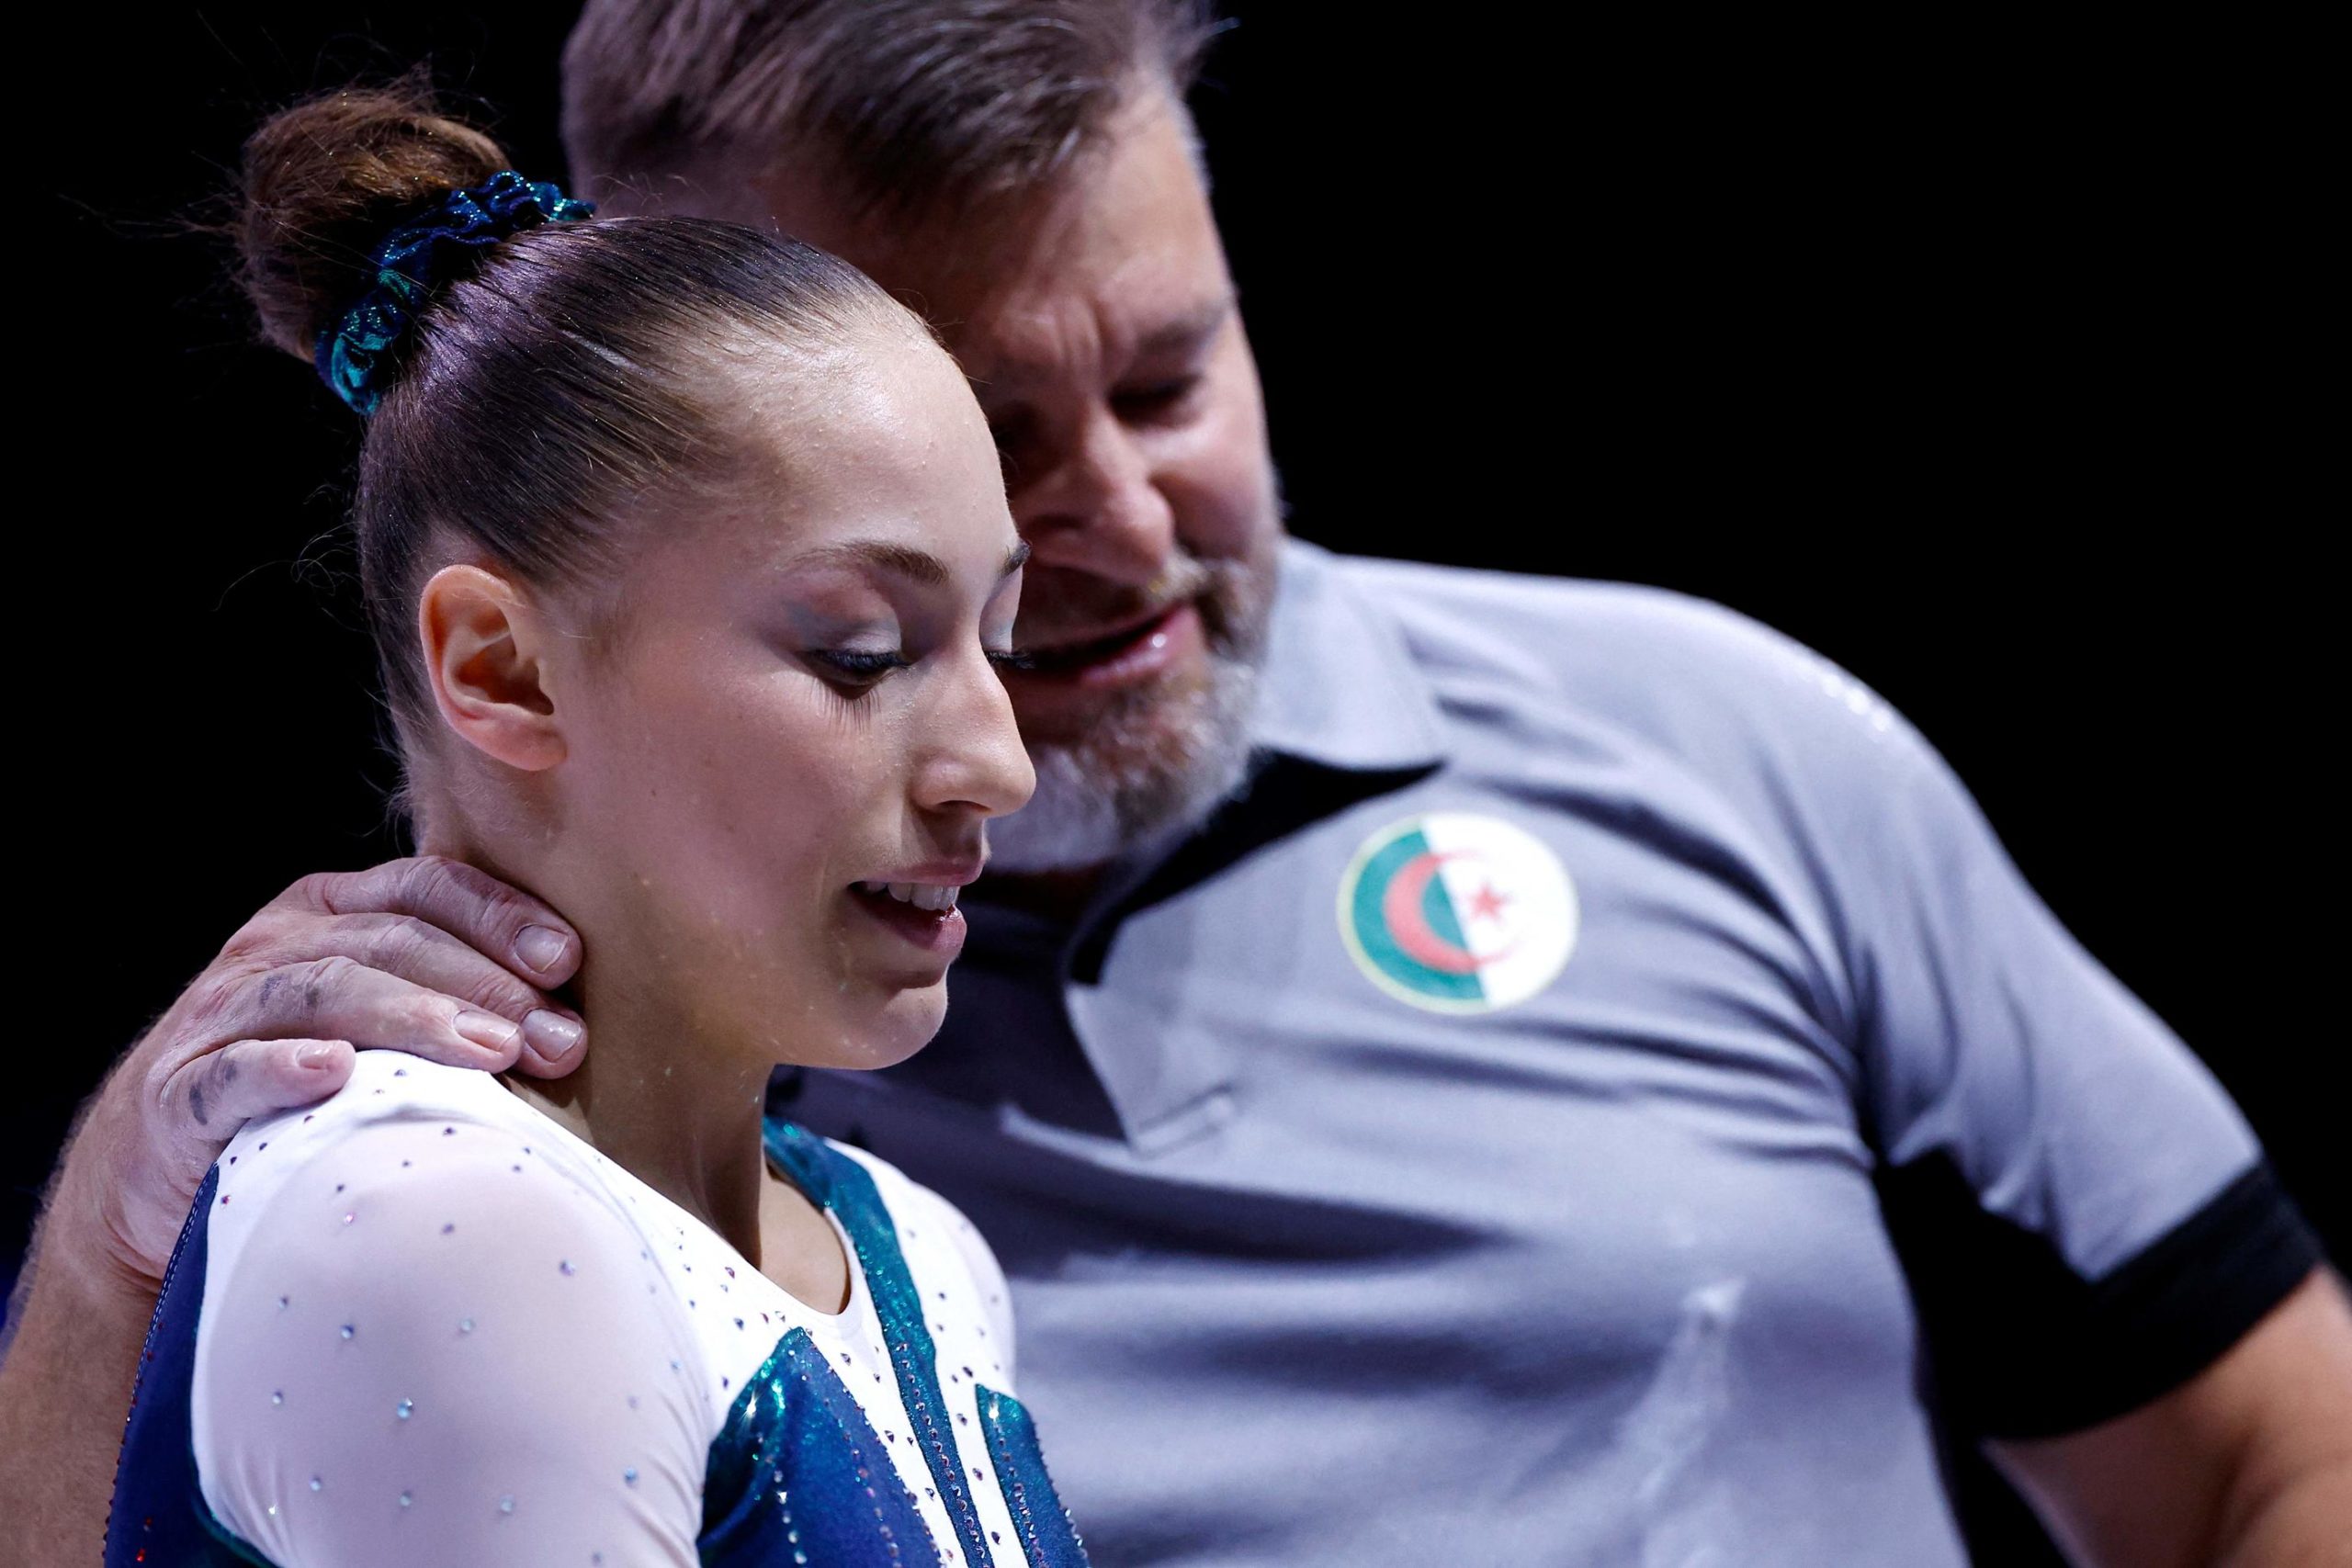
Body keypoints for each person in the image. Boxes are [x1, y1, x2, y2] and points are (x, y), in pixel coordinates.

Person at [6, 4, 2349, 1564]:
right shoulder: (441, 1118)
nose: (1113, 524)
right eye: (981, 438)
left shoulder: (1725, 744)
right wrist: (132, 1214)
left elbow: (2273, 1436)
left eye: (1165, 376)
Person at [84, 78, 1091, 1568]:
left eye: (997, 639)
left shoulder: (920, 1256)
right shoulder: (446, 1225)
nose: (997, 765)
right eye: (862, 654)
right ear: (506, 670)